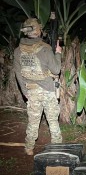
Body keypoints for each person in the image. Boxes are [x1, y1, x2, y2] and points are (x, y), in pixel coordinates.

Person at [14, 17, 63, 155]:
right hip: (47, 90)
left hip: (31, 91)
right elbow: (56, 70)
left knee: (33, 121)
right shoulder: (46, 49)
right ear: (38, 31)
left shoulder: (17, 51)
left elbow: (18, 74)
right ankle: (57, 149)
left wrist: (25, 92)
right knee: (53, 121)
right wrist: (58, 53)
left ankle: (29, 147)